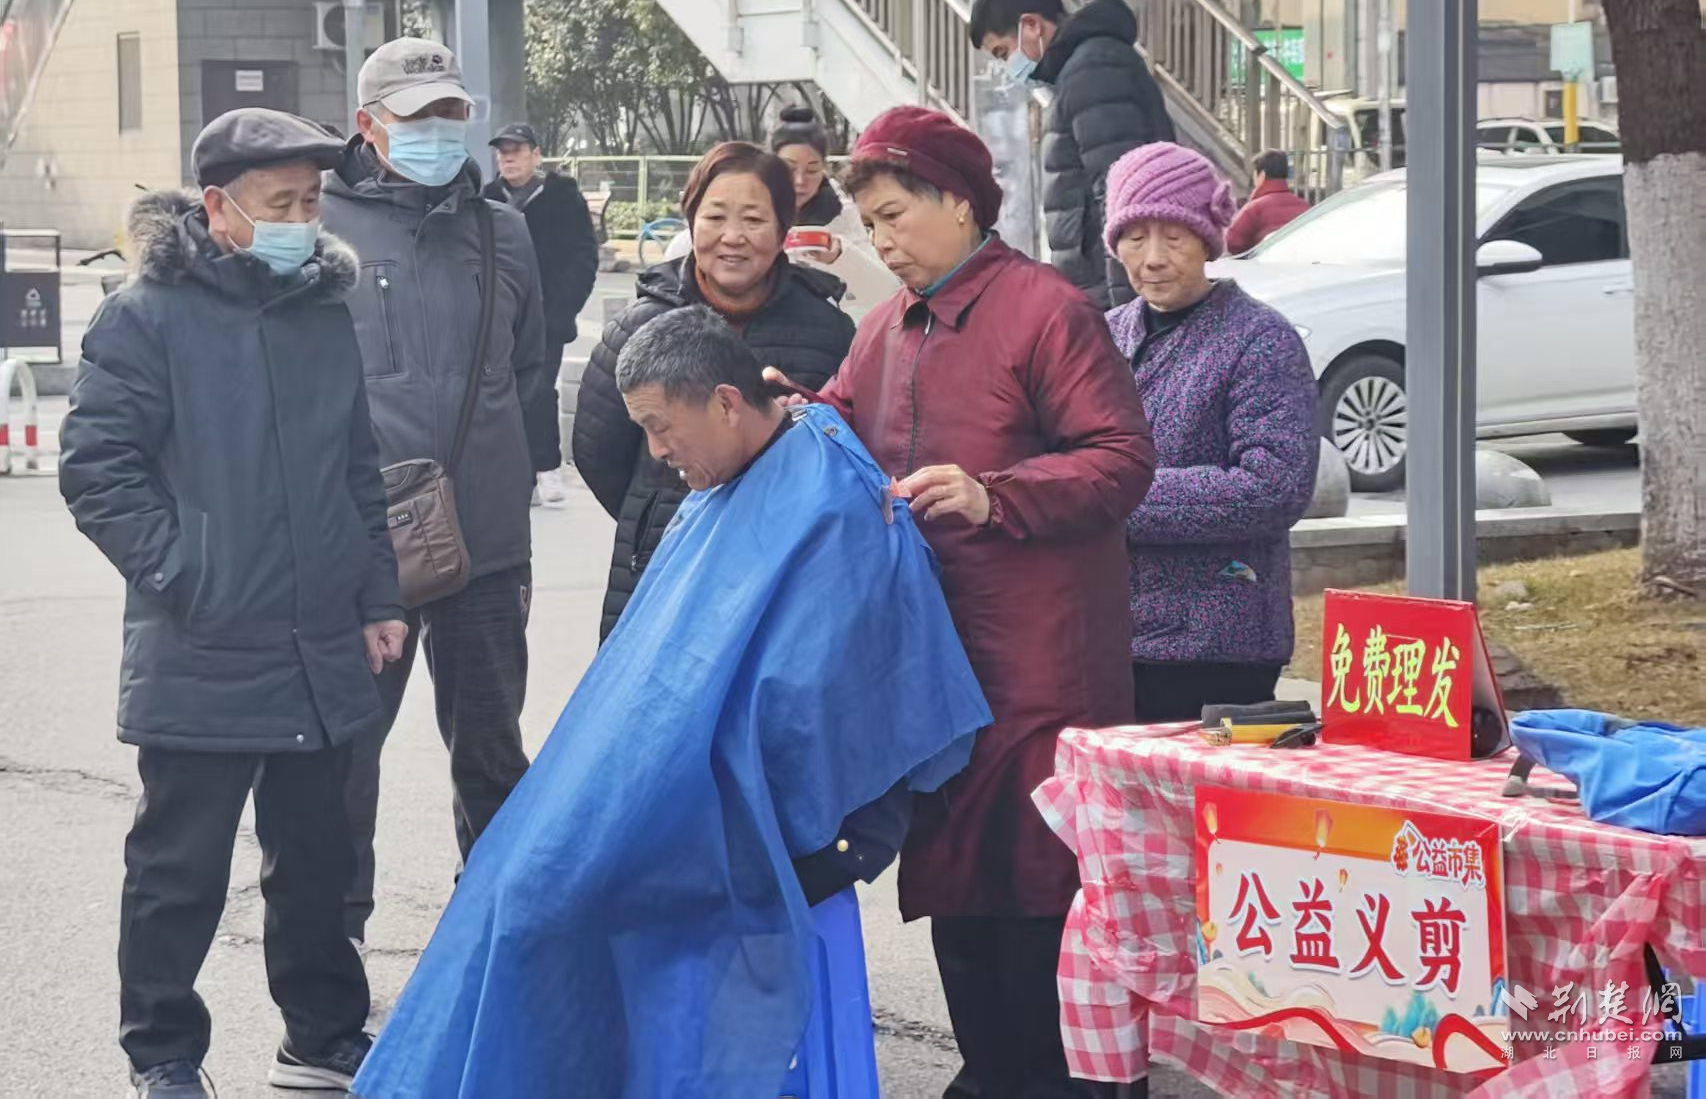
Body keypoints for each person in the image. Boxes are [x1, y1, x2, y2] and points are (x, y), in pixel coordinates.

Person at [351, 307, 992, 1098]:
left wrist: (656, 808)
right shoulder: (731, 481)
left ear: (726, 402)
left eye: (661, 427)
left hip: (758, 816)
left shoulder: (834, 504)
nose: (655, 453)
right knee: (504, 882)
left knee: (544, 914)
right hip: (680, 783)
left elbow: (805, 718)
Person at [785, 106, 1156, 1099]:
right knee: (954, 881)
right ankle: (991, 1072)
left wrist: (998, 495)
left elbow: (1122, 458)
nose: (883, 241)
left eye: (895, 215)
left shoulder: (1046, 311)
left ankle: (1067, 1081)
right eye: (871, 224)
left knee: (1042, 889)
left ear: (959, 201)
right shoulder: (884, 329)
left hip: (1044, 663)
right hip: (933, 663)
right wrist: (786, 421)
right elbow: (837, 423)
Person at [58, 109, 407, 1098]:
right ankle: (163, 1052)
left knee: (319, 859)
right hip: (203, 639)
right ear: (217, 208)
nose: (301, 220)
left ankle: (320, 1035)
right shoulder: (145, 315)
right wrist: (188, 573)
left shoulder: (320, 312)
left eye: (310, 201)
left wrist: (377, 594)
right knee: (179, 869)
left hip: (319, 641)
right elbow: (97, 468)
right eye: (278, 203)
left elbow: (356, 469)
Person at [320, 37, 548, 947]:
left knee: (492, 750)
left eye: (453, 112)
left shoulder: (504, 230)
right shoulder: (319, 226)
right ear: (369, 125)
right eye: (419, 117)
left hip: (485, 541)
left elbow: (527, 372)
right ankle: (332, 953)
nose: (441, 130)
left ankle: (492, 940)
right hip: (362, 548)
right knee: (344, 758)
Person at [573, 141, 855, 641]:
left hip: (784, 577)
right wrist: (652, 511)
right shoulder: (639, 325)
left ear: (783, 230)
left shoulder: (828, 331)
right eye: (715, 217)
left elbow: (843, 450)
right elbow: (597, 450)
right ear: (691, 222)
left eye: (754, 219)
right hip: (661, 564)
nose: (733, 237)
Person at [1102, 143, 1319, 720]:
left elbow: (1272, 487)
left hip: (1216, 645)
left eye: (1173, 236)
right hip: (1109, 636)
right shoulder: (1102, 335)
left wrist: (1108, 496)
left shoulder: (1259, 339)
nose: (1152, 258)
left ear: (1207, 239)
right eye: (1134, 237)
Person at [969, 0, 1175, 310]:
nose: (1008, 66)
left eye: (1004, 52)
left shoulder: (1091, 70)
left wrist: (1128, 314)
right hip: (1102, 292)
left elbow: (1122, 197)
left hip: (1113, 299)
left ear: (1032, 25)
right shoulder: (1078, 73)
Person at [665, 104, 900, 316]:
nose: (800, 181)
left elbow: (886, 293)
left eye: (812, 170)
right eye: (789, 168)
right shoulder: (694, 243)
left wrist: (840, 255)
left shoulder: (842, 215)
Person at [483, 122, 601, 506]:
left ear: (536, 155)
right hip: (499, 320)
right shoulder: (486, 200)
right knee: (505, 392)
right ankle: (520, 474)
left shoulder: (562, 198)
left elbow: (583, 257)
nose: (509, 158)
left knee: (537, 390)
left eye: (517, 150)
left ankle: (547, 467)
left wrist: (562, 310)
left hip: (548, 318)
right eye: (503, 152)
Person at [1225, 148, 1312, 255]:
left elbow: (1233, 242)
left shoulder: (1254, 208)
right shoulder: (1305, 207)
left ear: (1262, 175)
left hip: (1263, 263)